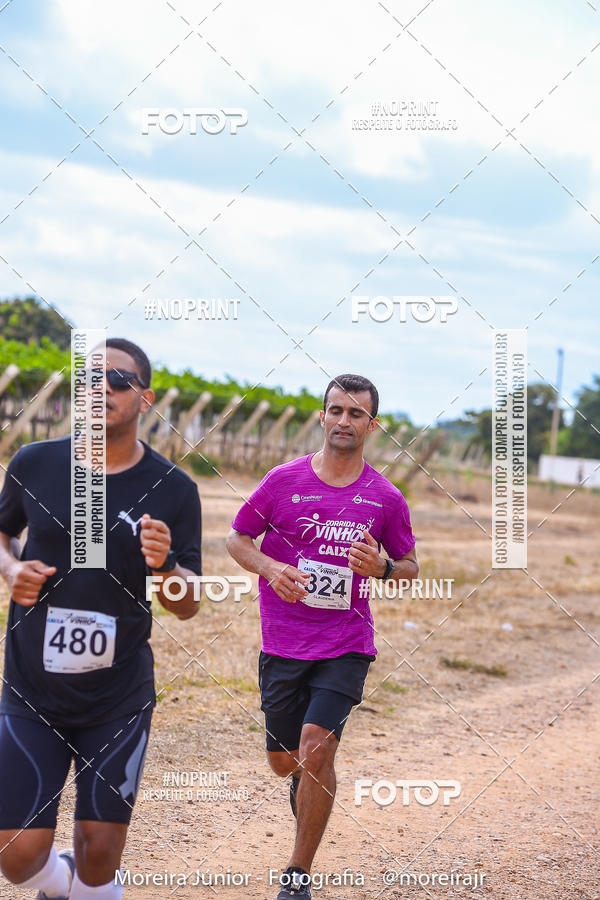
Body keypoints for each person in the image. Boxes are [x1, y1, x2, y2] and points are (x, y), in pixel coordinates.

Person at [0, 338, 202, 899]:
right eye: (90, 379)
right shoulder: (34, 463)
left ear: (145, 398)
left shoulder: (174, 489)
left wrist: (166, 568)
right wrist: (11, 568)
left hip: (117, 697)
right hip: (31, 688)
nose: (101, 389)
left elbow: (187, 603)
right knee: (15, 856)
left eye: (118, 379)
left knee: (99, 856)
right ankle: (57, 882)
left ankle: (87, 883)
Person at [226, 373, 418, 900]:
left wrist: (382, 568)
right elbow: (237, 538)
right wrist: (270, 568)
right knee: (285, 761)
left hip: (346, 645)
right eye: (336, 410)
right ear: (322, 416)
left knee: (317, 749)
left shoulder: (385, 497)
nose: (344, 421)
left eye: (356, 414)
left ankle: (297, 875)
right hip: (283, 644)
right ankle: (301, 778)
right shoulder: (282, 481)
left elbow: (410, 567)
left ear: (372, 426)